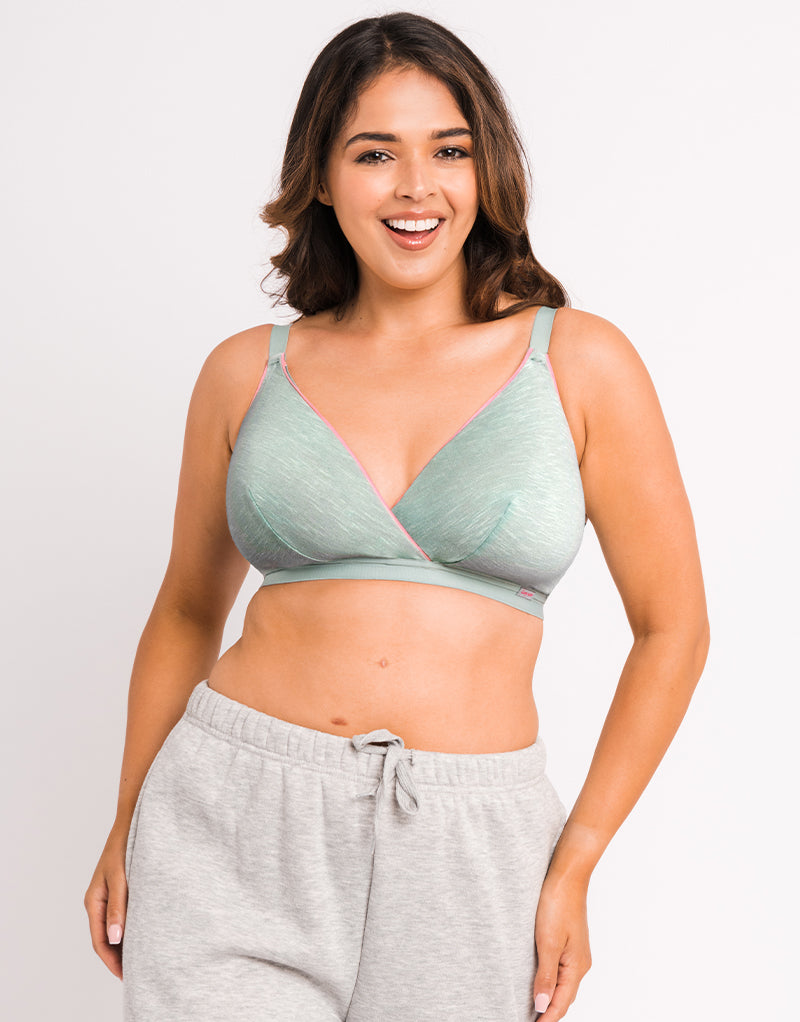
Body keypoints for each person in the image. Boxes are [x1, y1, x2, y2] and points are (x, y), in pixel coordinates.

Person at [84, 11, 709, 1021]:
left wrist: (576, 860)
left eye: (449, 151)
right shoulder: (246, 372)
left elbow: (672, 629)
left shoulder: (579, 362)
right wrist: (125, 822)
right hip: (230, 818)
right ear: (323, 179)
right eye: (375, 153)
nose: (417, 186)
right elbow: (188, 609)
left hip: (472, 845)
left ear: (486, 170)